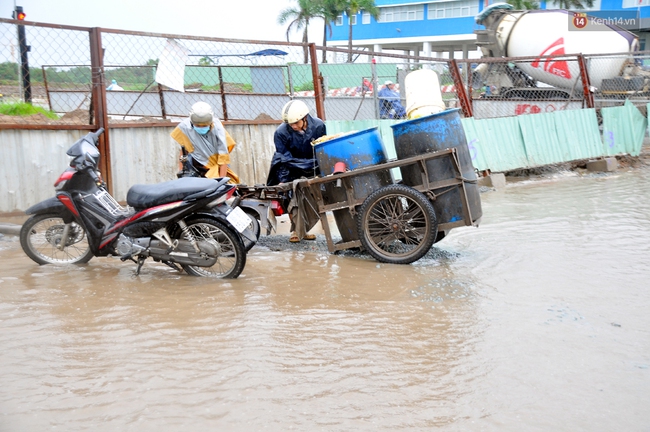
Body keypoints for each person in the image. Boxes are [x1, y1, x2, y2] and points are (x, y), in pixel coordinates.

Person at [266, 100, 326, 243]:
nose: (293, 126)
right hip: (290, 167)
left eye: (296, 123)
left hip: (313, 166)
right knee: (290, 196)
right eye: (290, 124)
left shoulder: (318, 126)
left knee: (314, 196)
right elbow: (283, 159)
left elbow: (321, 151)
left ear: (305, 117)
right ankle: (295, 230)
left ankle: (304, 229)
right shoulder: (281, 132)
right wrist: (283, 179)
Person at [170, 101, 239, 183]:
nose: (201, 127)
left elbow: (223, 156)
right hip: (194, 162)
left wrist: (221, 181)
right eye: (198, 126)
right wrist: (182, 177)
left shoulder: (217, 128)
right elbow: (184, 152)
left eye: (205, 126)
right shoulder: (185, 127)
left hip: (216, 163)